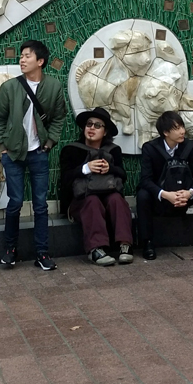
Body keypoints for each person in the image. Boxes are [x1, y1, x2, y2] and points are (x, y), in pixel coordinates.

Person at [0, 40, 67, 271]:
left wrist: (49, 143)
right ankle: (9, 250)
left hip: (39, 153)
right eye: (21, 56)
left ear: (40, 61)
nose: (22, 60)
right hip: (12, 154)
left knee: (40, 205)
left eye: (27, 56)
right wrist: (3, 145)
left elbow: (59, 118)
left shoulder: (53, 87)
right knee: (15, 202)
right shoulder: (10, 87)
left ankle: (42, 253)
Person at [137, 111, 193, 260]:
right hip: (162, 199)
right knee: (142, 195)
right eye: (177, 128)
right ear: (165, 132)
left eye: (182, 127)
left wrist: (189, 193)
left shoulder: (188, 147)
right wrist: (166, 195)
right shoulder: (150, 148)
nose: (182, 131)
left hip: (183, 195)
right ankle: (147, 243)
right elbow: (145, 180)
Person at [59, 107, 134, 266]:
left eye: (97, 125)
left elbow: (123, 175)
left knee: (116, 199)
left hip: (108, 196)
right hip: (81, 201)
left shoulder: (113, 150)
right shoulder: (71, 150)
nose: (91, 128)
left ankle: (125, 245)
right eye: (89, 124)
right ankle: (95, 249)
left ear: (105, 132)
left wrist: (110, 168)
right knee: (92, 201)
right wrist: (85, 168)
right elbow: (65, 180)